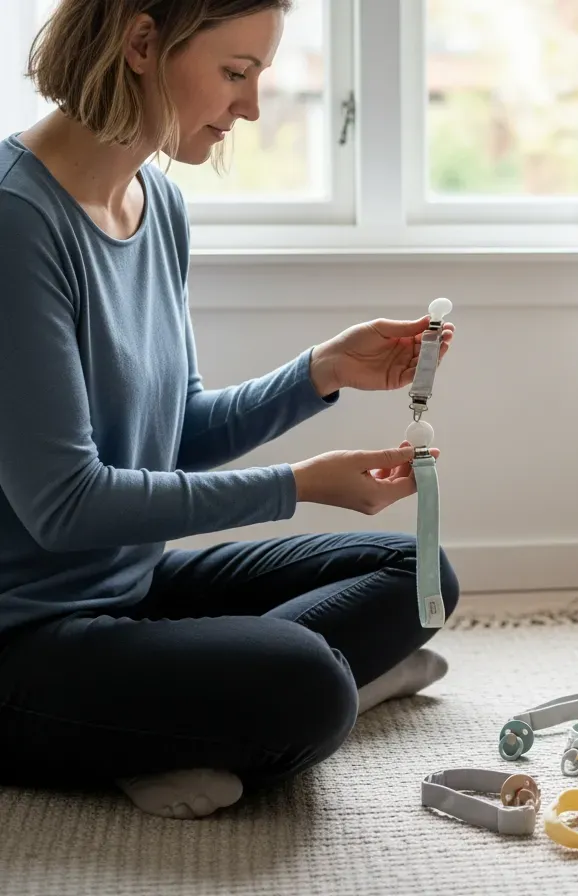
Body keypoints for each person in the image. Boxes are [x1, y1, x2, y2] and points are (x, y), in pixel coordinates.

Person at [0, 0, 461, 821]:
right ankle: (228, 714)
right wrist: (296, 484)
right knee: (307, 680)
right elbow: (65, 504)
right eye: (235, 73)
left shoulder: (158, 207)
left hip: (128, 586)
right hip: (23, 639)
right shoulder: (15, 222)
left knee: (418, 574)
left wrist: (321, 372)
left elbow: (174, 435)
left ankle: (185, 723)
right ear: (143, 43)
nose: (250, 108)